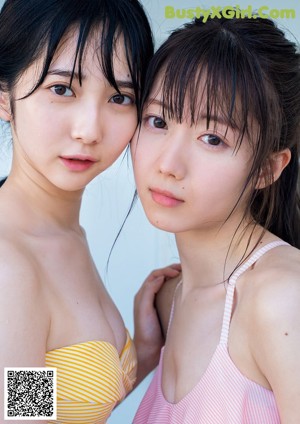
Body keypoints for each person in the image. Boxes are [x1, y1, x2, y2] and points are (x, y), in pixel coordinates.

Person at [0, 1, 181, 423]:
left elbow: (57, 410)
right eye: (62, 89)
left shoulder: (61, 235)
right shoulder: (10, 266)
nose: (90, 129)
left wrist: (144, 353)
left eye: (120, 97)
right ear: (5, 98)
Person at [131, 13, 300, 423]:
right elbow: (24, 412)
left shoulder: (281, 299)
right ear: (6, 100)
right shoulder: (168, 298)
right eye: (158, 121)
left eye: (212, 138)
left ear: (268, 168)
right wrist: (134, 364)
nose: (168, 164)